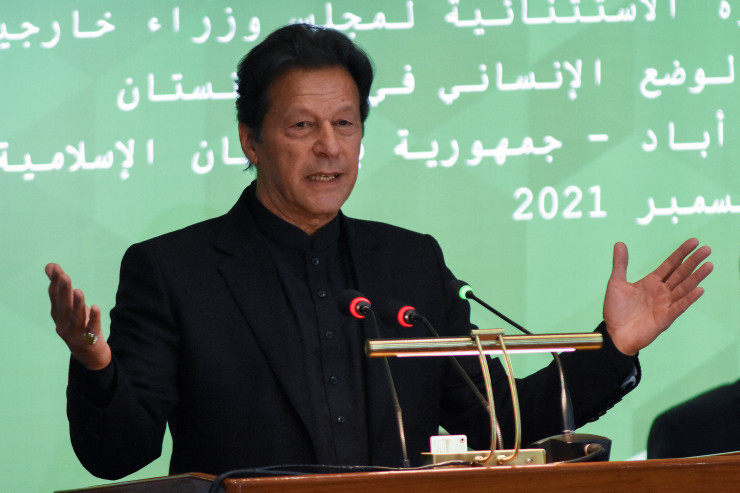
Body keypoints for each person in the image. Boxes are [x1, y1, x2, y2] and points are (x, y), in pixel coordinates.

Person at [46, 24, 713, 480]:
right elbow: (117, 453)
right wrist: (96, 363)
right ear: (251, 139)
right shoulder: (175, 271)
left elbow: (491, 421)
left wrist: (613, 347)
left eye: (345, 124)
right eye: (302, 126)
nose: (329, 147)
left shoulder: (409, 262)